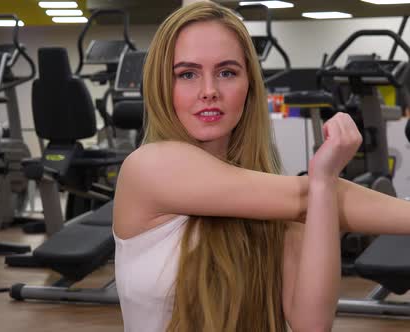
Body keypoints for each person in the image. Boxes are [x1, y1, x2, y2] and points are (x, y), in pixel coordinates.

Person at [112, 1, 407, 331]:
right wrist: (318, 190)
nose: (209, 91)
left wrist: (322, 183)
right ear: (161, 85)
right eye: (187, 74)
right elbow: (307, 198)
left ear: (249, 85)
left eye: (226, 72)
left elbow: (313, 324)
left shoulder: (275, 202)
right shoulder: (148, 167)